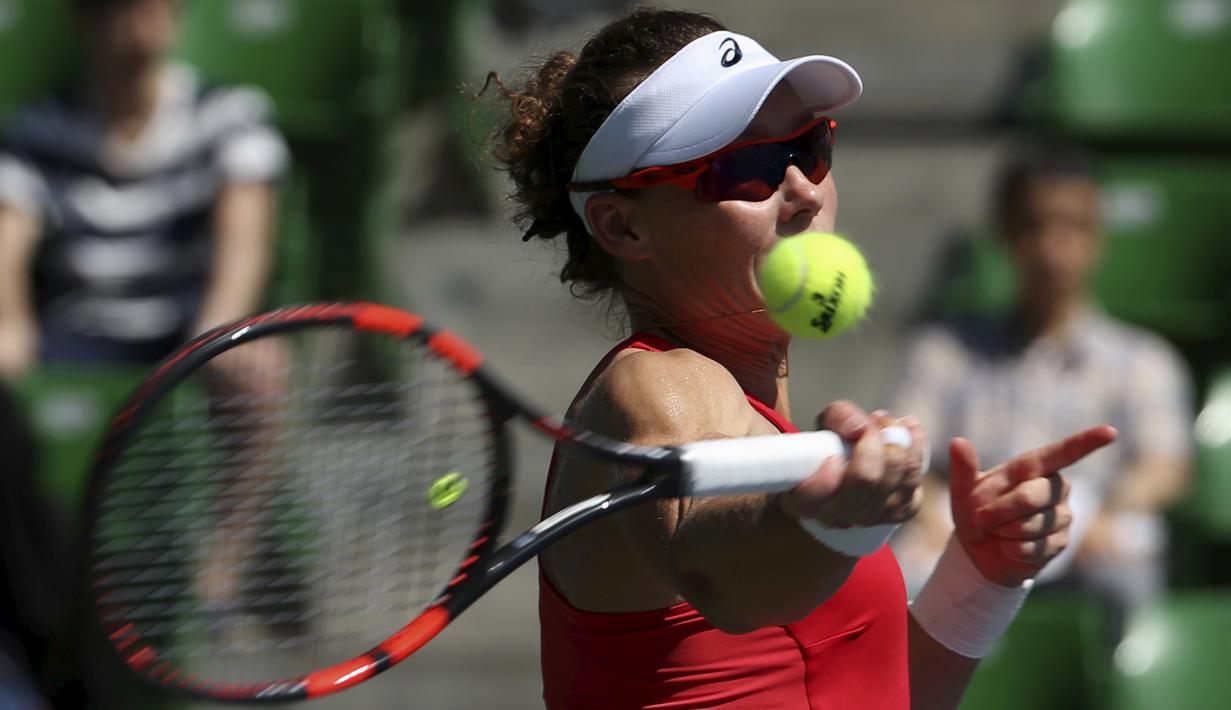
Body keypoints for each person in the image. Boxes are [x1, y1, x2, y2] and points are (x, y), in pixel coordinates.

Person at [488, 9, 1117, 708]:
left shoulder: (753, 413)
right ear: (622, 225)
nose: (806, 192)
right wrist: (825, 519)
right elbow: (720, 580)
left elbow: (873, 693)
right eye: (747, 167)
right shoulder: (653, 383)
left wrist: (981, 573)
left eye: (809, 147)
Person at [889, 144, 1192, 617]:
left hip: (1088, 526)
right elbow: (902, 452)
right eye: (1034, 225)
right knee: (899, 572)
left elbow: (1165, 466)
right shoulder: (944, 352)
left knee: (1128, 571)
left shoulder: (1143, 360)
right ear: (1005, 233)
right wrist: (930, 515)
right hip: (969, 526)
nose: (1053, 246)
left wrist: (1114, 511)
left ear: (1097, 235)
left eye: (1074, 225)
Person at [0, 0, 287, 380]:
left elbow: (246, 242)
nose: (139, 35)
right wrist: (10, 326)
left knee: (257, 372)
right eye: (122, 12)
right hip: (72, 336)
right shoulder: (36, 129)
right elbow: (8, 240)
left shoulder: (230, 115)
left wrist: (220, 333)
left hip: (187, 332)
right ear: (87, 20)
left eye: (152, 11)